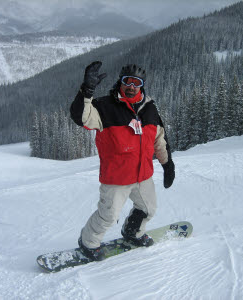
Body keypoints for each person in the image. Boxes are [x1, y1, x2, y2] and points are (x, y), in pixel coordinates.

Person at [70, 61, 175, 261]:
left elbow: (159, 139)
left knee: (148, 209)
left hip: (143, 175)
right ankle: (88, 243)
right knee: (108, 215)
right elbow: (80, 117)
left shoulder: (150, 109)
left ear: (142, 85)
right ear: (121, 81)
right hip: (116, 177)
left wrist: (167, 164)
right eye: (128, 81)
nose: (131, 86)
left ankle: (132, 232)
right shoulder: (104, 107)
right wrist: (87, 90)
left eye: (136, 82)